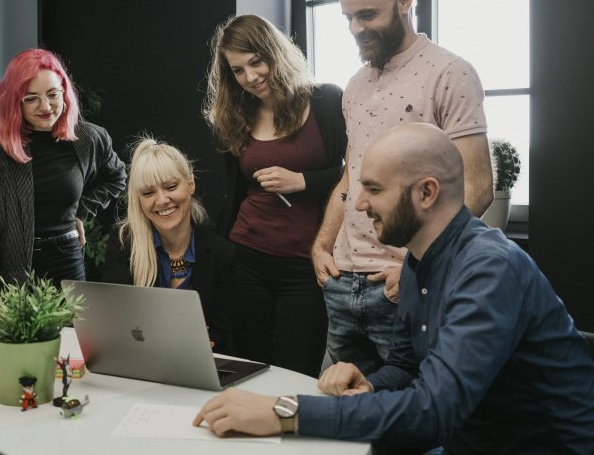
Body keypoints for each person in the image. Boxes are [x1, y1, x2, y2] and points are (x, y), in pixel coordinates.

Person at [194, 123, 594, 453]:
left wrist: (285, 412)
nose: (360, 204)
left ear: (426, 192)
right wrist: (370, 384)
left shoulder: (489, 269)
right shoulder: (416, 261)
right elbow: (406, 367)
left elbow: (433, 412)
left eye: (375, 189)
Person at [311, 0, 494, 375]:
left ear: (405, 1)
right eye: (348, 18)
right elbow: (350, 175)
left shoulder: (450, 72)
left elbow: (478, 188)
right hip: (341, 282)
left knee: (413, 416)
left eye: (368, 15)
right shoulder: (355, 85)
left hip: (400, 284)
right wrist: (322, 246)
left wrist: (414, 269)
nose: (356, 28)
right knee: (342, 415)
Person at [203, 14, 346, 377]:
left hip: (306, 262)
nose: (250, 77)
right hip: (246, 258)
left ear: (275, 52)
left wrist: (303, 182)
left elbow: (359, 174)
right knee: (252, 369)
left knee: (297, 373)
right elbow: (235, 194)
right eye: (237, 70)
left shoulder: (327, 101)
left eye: (256, 61)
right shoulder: (238, 114)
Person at [0, 48, 126, 305]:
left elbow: (116, 176)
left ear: (64, 92)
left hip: (66, 261)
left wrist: (79, 211)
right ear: (15, 101)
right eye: (31, 98)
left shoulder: (88, 138)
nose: (46, 106)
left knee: (74, 342)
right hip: (10, 267)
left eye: (53, 94)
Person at [102, 138, 234, 353]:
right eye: (148, 193)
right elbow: (115, 321)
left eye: (171, 187)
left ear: (190, 184)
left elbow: (220, 332)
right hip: (138, 360)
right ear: (138, 199)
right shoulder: (124, 243)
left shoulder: (222, 253)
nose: (162, 200)